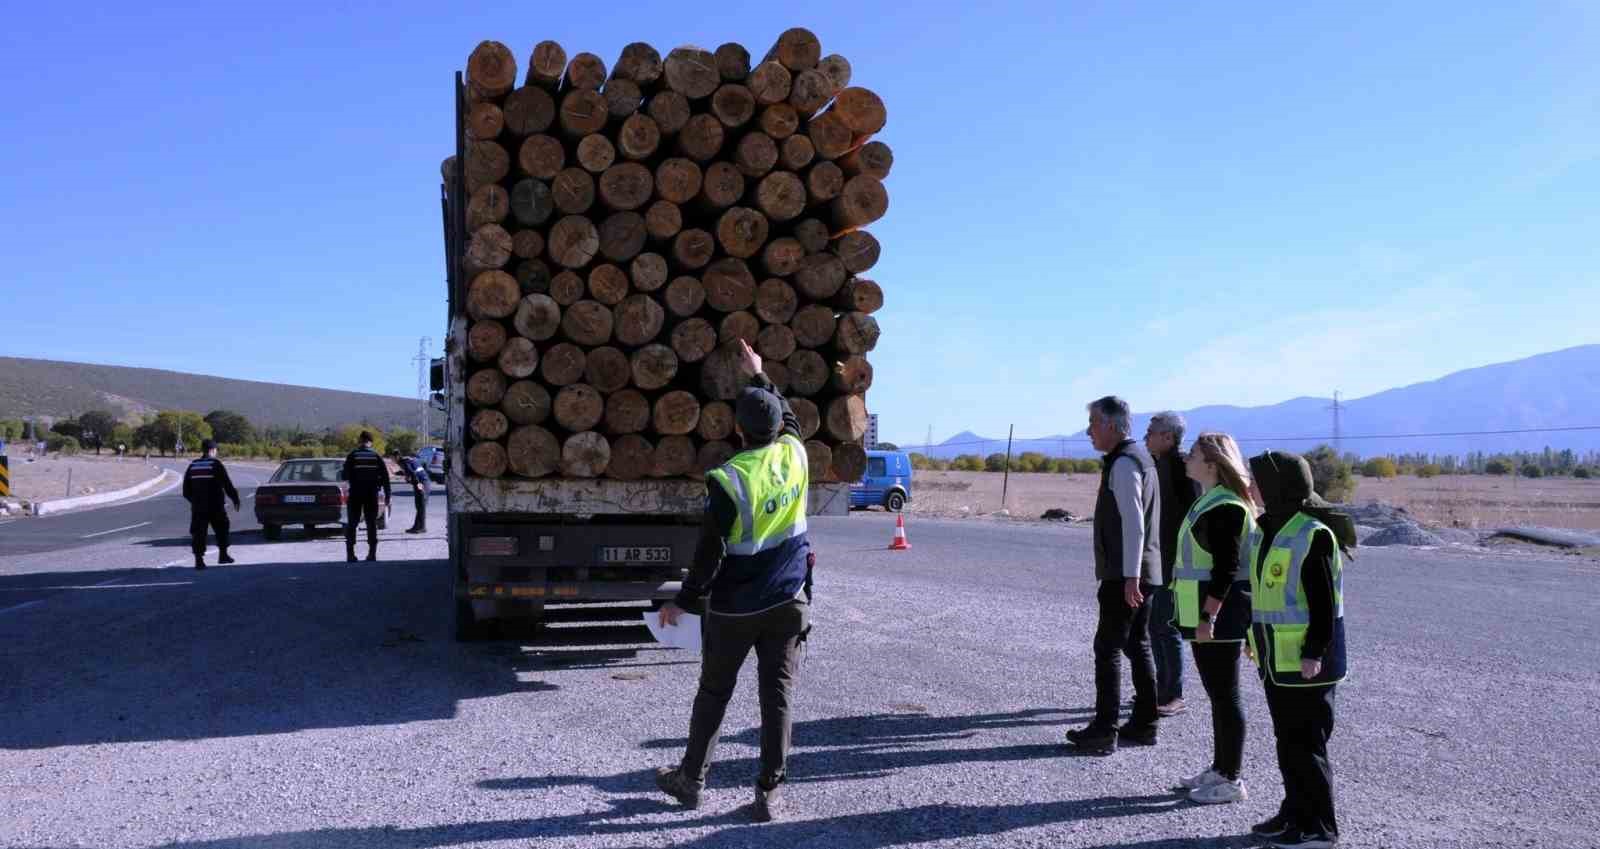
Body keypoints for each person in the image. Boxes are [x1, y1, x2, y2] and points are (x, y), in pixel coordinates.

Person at [654, 340, 813, 823]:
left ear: (738, 430)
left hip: (735, 609)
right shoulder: (797, 455)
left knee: (714, 693)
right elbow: (789, 419)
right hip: (788, 599)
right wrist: (762, 375)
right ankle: (770, 792)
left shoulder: (729, 479)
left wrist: (682, 601)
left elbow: (708, 555)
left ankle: (691, 780)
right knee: (778, 696)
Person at [1246, 451, 1354, 849]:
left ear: (1277, 486)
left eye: (1255, 479)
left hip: (1309, 663)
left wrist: (1314, 653)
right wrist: (1250, 637)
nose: (1251, 486)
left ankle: (1320, 829)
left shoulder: (1313, 534)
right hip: (1277, 659)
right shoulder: (1268, 528)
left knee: (1308, 746)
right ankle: (1294, 814)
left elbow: (1324, 604)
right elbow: (1265, 594)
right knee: (1287, 743)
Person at [1067, 395, 1162, 754]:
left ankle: (1105, 730)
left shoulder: (1123, 464)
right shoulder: (1140, 456)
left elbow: (1135, 526)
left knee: (1107, 648)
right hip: (1142, 571)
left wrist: (1130, 578)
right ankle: (1145, 722)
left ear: (1111, 425)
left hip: (1126, 576)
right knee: (1137, 645)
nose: (1089, 430)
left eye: (1093, 422)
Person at [1171, 433, 1259, 804]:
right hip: (1203, 616)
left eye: (1192, 454)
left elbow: (1226, 568)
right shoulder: (1209, 501)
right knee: (1218, 697)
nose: (1185, 458)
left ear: (1211, 463)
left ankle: (1232, 779)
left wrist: (1209, 615)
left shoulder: (1225, 506)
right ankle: (1221, 769)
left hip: (1218, 617)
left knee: (1226, 697)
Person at [1145, 411, 1198, 717]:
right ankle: (1160, 688)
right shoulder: (1156, 464)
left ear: (1168, 436)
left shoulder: (1181, 468)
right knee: (1154, 625)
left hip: (1174, 562)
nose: (1146, 436)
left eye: (1151, 431)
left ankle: (1174, 694)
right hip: (1155, 558)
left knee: (1167, 625)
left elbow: (1193, 516)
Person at [182, 439, 240, 570]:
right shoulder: (216, 464)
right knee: (222, 528)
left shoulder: (193, 465)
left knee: (198, 532)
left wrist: (196, 501)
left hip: (198, 507)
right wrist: (235, 499)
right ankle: (223, 556)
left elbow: (185, 491)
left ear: (202, 450)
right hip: (216, 506)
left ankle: (199, 561)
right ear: (213, 450)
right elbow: (227, 484)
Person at [342, 432, 391, 562]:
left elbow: (344, 476)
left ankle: (350, 554)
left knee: (352, 523)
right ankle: (372, 554)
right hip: (371, 494)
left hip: (355, 494)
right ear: (371, 442)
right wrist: (387, 496)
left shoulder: (353, 455)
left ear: (360, 440)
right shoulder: (376, 456)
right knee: (371, 523)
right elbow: (385, 477)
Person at [392, 450, 430, 534]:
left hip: (421, 483)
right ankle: (416, 526)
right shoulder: (405, 461)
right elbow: (409, 471)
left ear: (397, 456)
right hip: (421, 482)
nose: (392, 460)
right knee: (419, 506)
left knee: (421, 505)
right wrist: (398, 473)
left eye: (393, 458)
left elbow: (412, 473)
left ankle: (423, 527)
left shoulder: (404, 462)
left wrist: (417, 486)